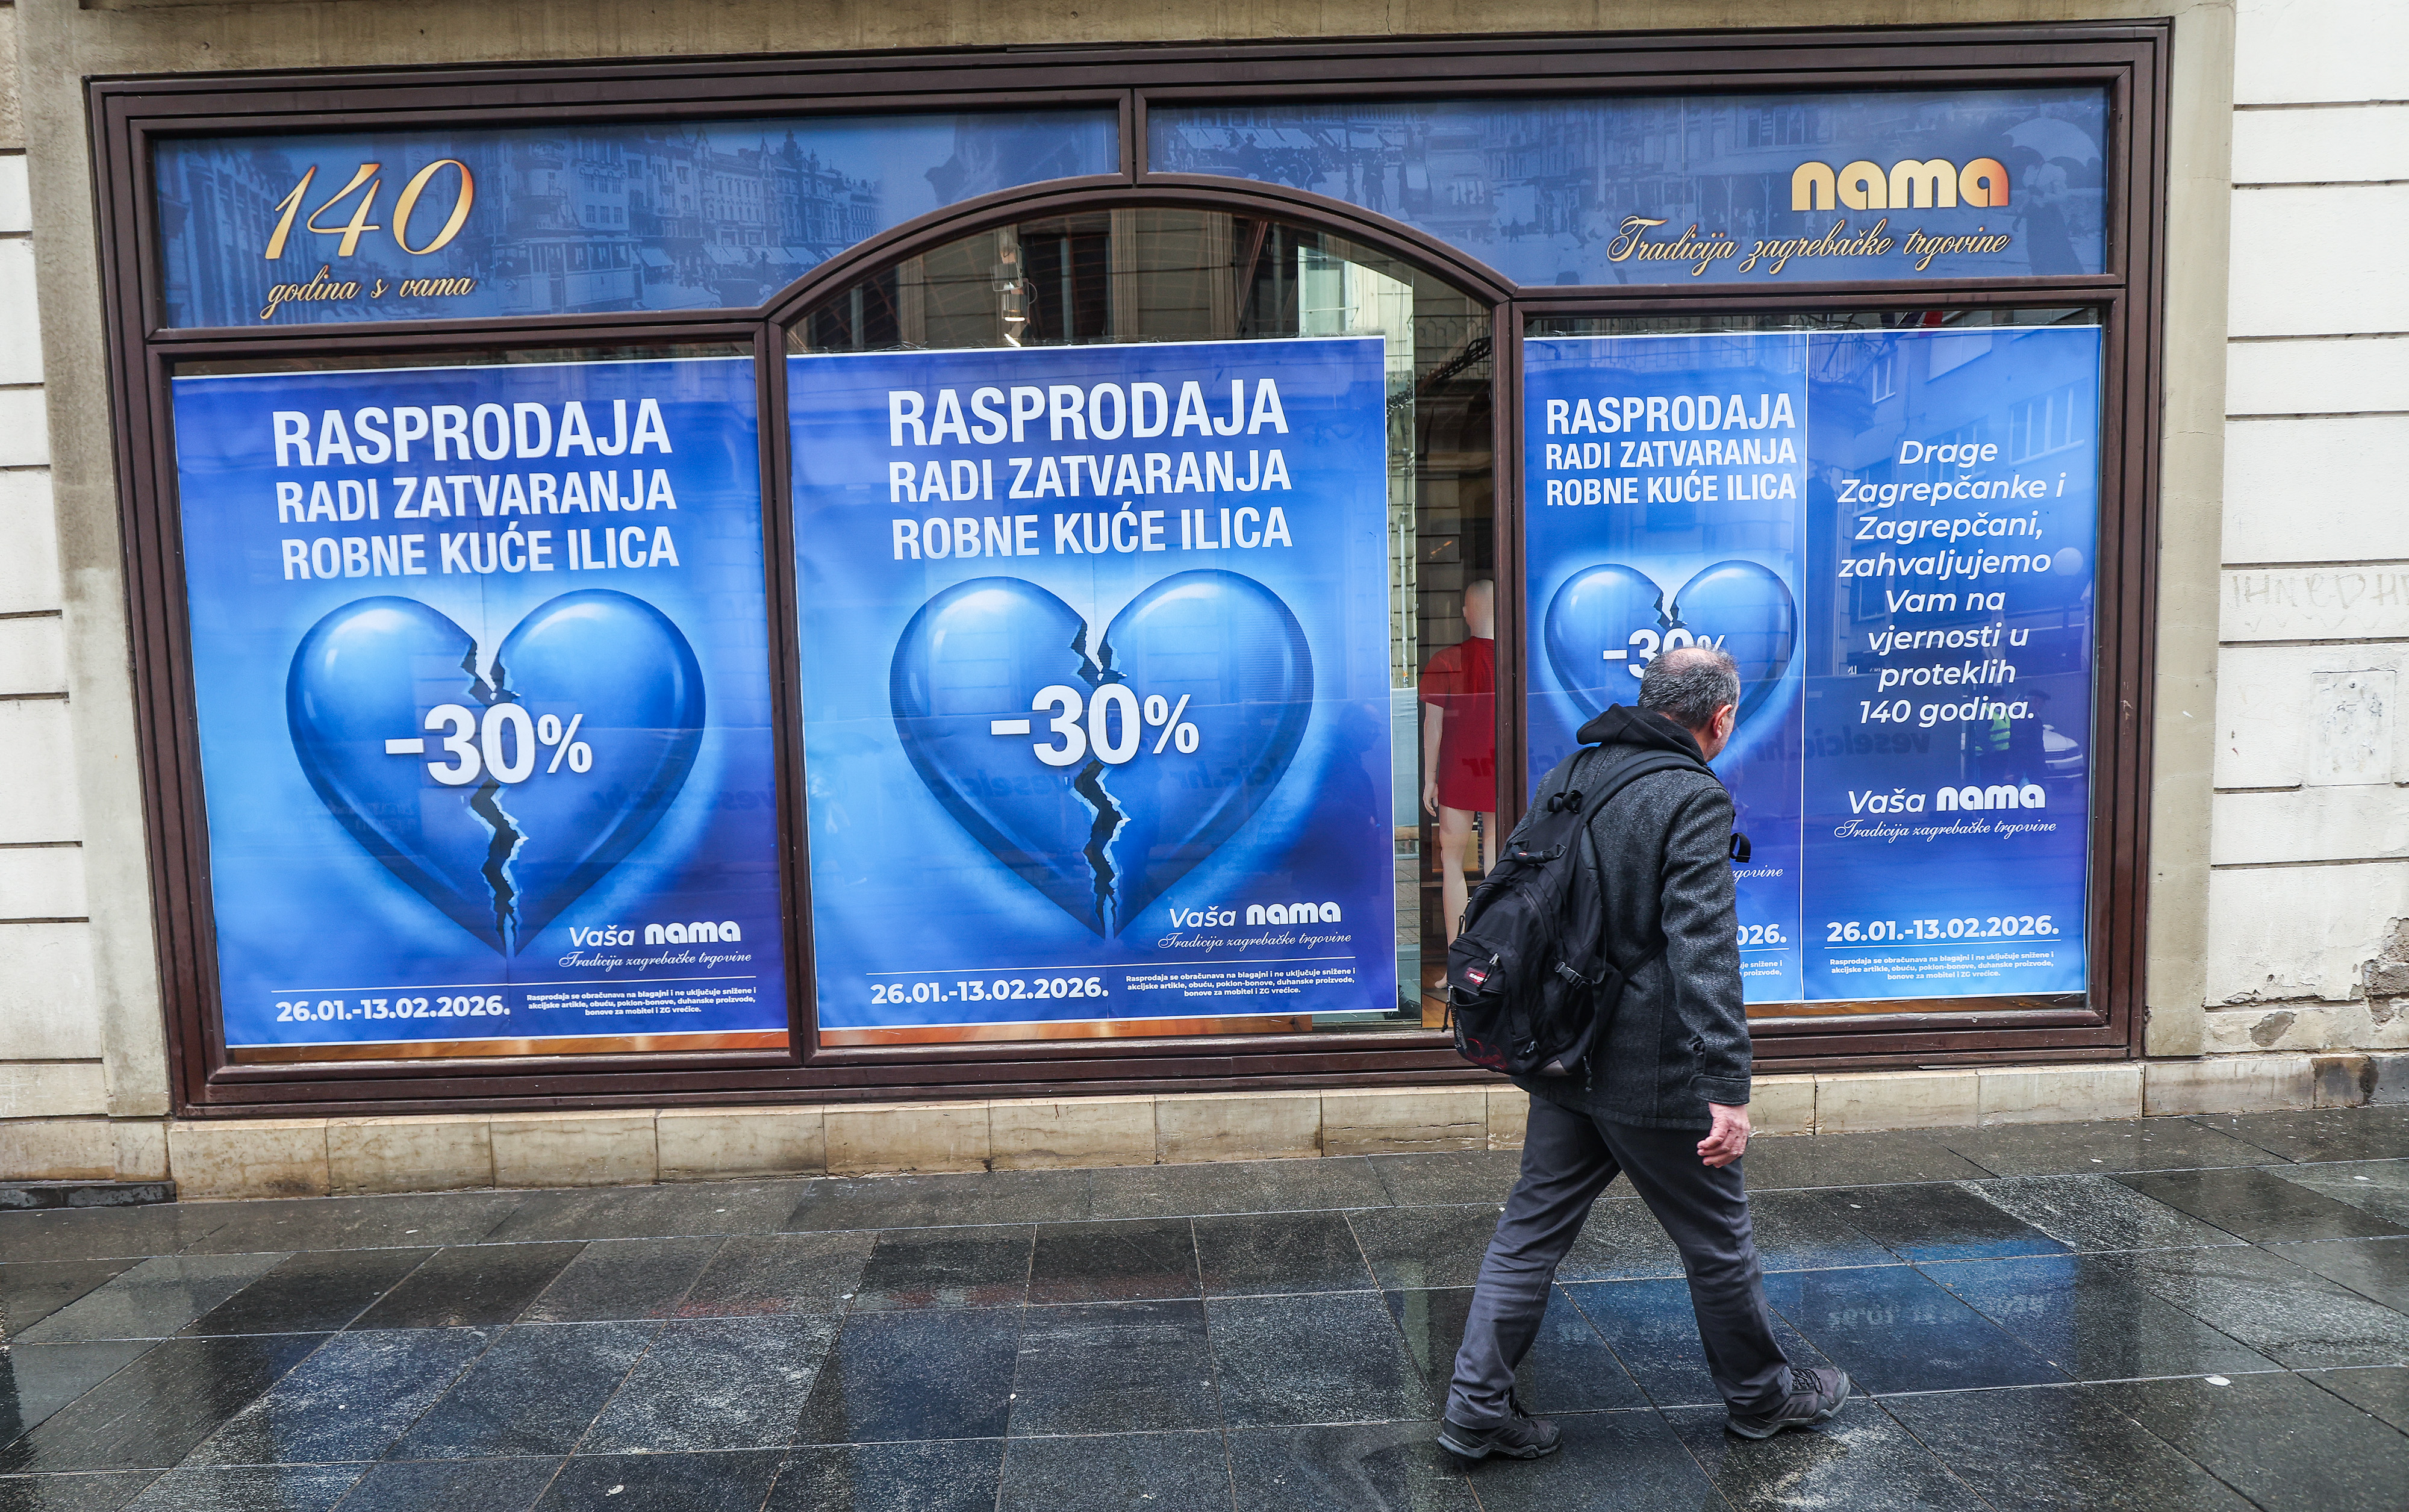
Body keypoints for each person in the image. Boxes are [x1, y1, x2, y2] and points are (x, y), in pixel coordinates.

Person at [1436, 645, 1849, 1461]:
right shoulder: (1690, 794)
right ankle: (1764, 1397)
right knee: (1717, 1236)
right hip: (1652, 1065)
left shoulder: (1574, 770)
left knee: (1530, 1227)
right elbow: (1704, 950)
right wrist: (1727, 1083)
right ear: (1720, 715)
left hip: (1564, 1046)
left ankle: (1474, 1408)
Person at [1420, 578, 1498, 947]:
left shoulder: (1446, 661)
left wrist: (1429, 779)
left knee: (1451, 860)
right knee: (1498, 865)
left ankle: (1458, 960)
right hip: (1500, 770)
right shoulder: (1518, 659)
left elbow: (1433, 725)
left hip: (1457, 772)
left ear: (1467, 613)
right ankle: (1495, 957)